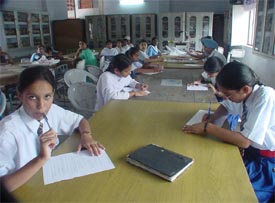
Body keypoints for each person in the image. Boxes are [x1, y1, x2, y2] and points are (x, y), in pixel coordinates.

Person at [0, 66, 104, 192]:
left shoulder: (52, 111)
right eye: (32, 97)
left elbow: (80, 121)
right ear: (20, 95)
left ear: (53, 95)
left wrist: (86, 135)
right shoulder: (6, 132)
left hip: (51, 179)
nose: (41, 106)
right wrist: (41, 159)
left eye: (47, 96)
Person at [182, 61, 275, 203]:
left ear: (244, 89)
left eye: (228, 94)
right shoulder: (243, 94)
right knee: (211, 176)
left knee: (232, 191)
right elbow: (226, 106)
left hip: (266, 163)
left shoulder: (264, 96)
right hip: (251, 152)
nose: (225, 97)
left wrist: (208, 127)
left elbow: (244, 141)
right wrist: (213, 117)